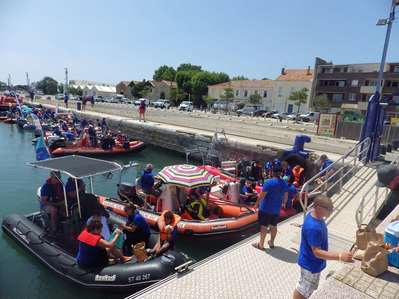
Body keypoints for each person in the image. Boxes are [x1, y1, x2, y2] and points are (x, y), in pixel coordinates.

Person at [293, 196, 353, 299]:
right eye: (329, 209)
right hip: (310, 264)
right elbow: (317, 252)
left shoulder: (314, 216)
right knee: (303, 289)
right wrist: (339, 256)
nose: (331, 211)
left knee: (308, 288)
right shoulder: (314, 227)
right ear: (319, 208)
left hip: (311, 261)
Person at [253, 165, 288, 250]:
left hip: (265, 209)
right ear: (281, 173)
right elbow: (286, 196)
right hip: (276, 209)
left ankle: (261, 245)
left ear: (272, 172)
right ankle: (271, 242)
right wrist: (284, 203)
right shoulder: (284, 183)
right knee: (274, 226)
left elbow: (262, 195)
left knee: (264, 226)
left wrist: (256, 204)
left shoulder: (269, 182)